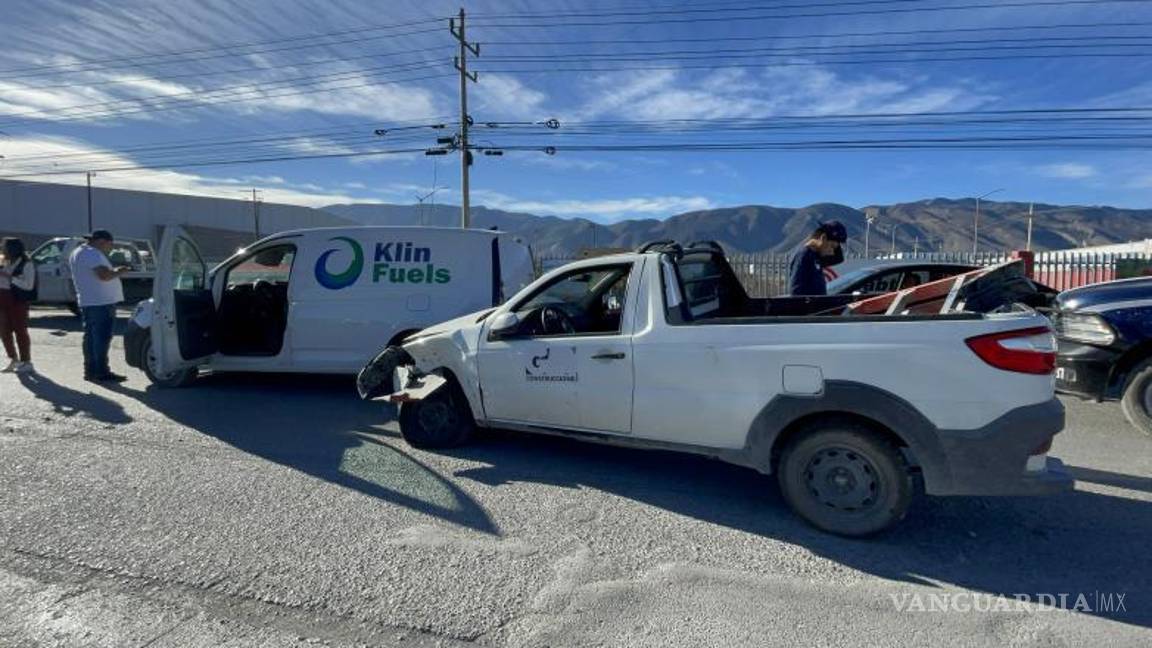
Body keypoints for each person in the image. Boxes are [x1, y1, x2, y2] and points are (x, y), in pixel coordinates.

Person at [69, 230, 130, 382]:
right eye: (110, 245)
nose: (110, 249)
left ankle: (90, 370)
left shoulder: (78, 252)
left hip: (89, 300)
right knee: (101, 338)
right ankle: (101, 371)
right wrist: (120, 271)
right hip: (101, 302)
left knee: (90, 338)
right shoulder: (92, 253)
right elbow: (104, 276)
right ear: (102, 241)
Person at [0, 237, 36, 373]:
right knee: (4, 331)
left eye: (4, 247)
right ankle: (14, 359)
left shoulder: (27, 263)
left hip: (17, 300)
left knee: (20, 331)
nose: (2, 249)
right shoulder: (3, 260)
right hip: (2, 298)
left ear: (12, 249)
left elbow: (29, 285)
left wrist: (10, 277)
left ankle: (26, 361)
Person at [788, 221, 847, 296]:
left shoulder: (816, 257)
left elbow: (838, 259)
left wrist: (837, 238)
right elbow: (796, 289)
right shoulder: (804, 256)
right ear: (823, 238)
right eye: (832, 247)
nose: (832, 252)